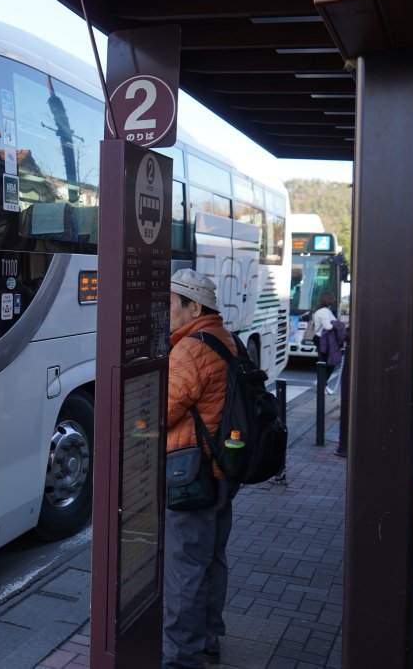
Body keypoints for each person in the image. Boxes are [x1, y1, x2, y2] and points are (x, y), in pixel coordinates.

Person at [165, 268, 239, 669]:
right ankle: (210, 639)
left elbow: (161, 412)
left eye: (171, 303)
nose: (166, 311)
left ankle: (181, 656)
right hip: (221, 472)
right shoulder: (225, 338)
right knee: (212, 559)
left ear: (193, 306)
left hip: (190, 477)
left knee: (185, 570)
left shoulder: (189, 350)